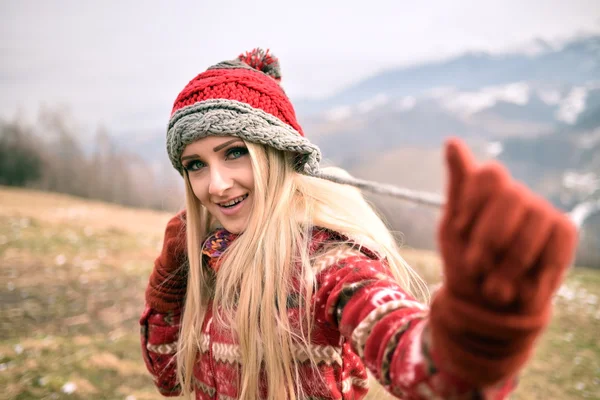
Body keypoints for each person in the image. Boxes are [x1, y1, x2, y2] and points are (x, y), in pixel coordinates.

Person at [140, 49, 578, 400]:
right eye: (195, 164)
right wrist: (171, 278)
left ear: (277, 154)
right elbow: (167, 375)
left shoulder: (330, 264)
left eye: (234, 152)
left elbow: (429, 373)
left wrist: (480, 331)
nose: (215, 184)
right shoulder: (209, 255)